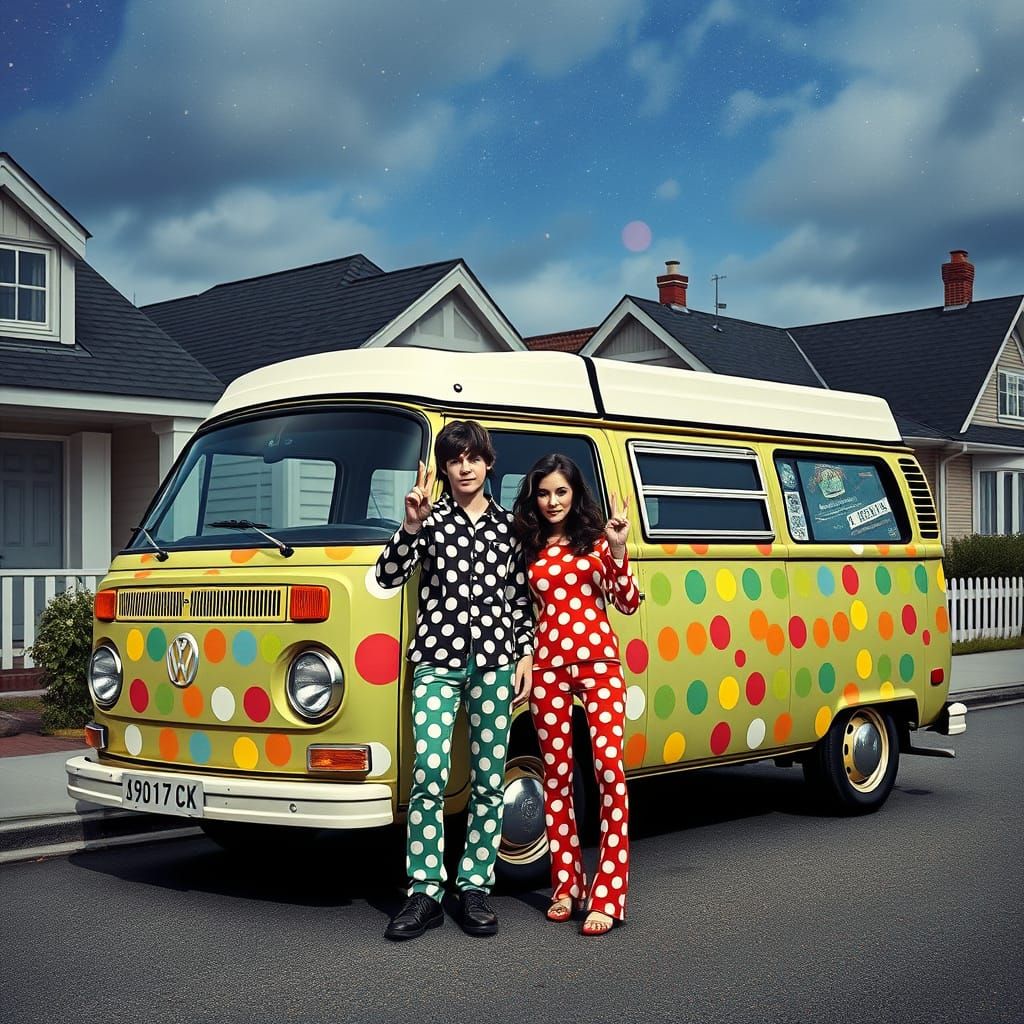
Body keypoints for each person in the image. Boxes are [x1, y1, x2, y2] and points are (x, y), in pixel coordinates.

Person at [375, 420, 533, 941]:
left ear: (488, 463)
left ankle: (475, 888)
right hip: (437, 661)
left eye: (472, 457)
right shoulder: (430, 519)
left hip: (495, 662)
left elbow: (520, 601)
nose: (464, 467)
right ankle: (424, 891)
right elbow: (387, 576)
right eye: (453, 459)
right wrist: (411, 527)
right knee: (431, 772)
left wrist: (525, 656)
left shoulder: (510, 527)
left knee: (490, 781)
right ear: (443, 468)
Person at [512, 453, 640, 935]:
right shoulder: (528, 546)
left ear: (575, 493)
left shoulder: (597, 542)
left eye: (560, 492)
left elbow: (626, 603)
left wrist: (620, 550)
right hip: (546, 666)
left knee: (609, 769)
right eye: (544, 493)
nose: (552, 501)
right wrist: (524, 656)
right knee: (558, 776)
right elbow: (523, 611)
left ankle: (608, 893)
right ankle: (567, 884)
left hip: (599, 663)